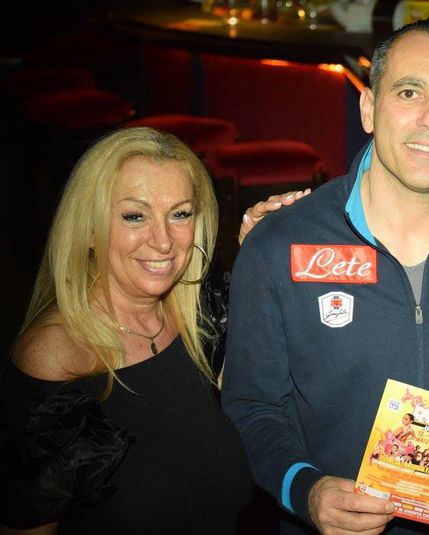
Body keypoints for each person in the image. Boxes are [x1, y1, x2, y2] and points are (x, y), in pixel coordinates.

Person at [222, 16, 429, 535]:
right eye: (409, 92)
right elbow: (252, 407)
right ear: (368, 108)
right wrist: (305, 489)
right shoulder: (280, 245)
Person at [0, 127, 275, 534]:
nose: (163, 242)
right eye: (134, 216)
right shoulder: (56, 356)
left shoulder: (196, 323)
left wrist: (265, 250)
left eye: (180, 214)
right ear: (88, 230)